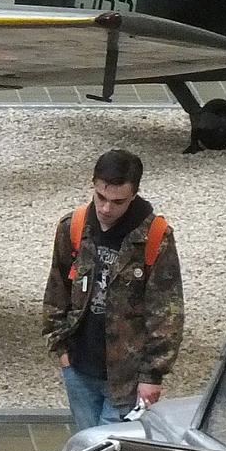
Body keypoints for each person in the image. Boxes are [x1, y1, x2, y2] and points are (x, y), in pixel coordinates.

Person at [42, 149, 184, 431]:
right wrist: (61, 348)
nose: (106, 209)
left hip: (127, 378)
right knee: (85, 446)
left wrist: (152, 375)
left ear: (134, 196)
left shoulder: (155, 238)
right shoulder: (73, 227)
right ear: (93, 186)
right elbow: (57, 289)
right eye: (101, 197)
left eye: (118, 202)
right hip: (79, 368)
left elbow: (166, 312)